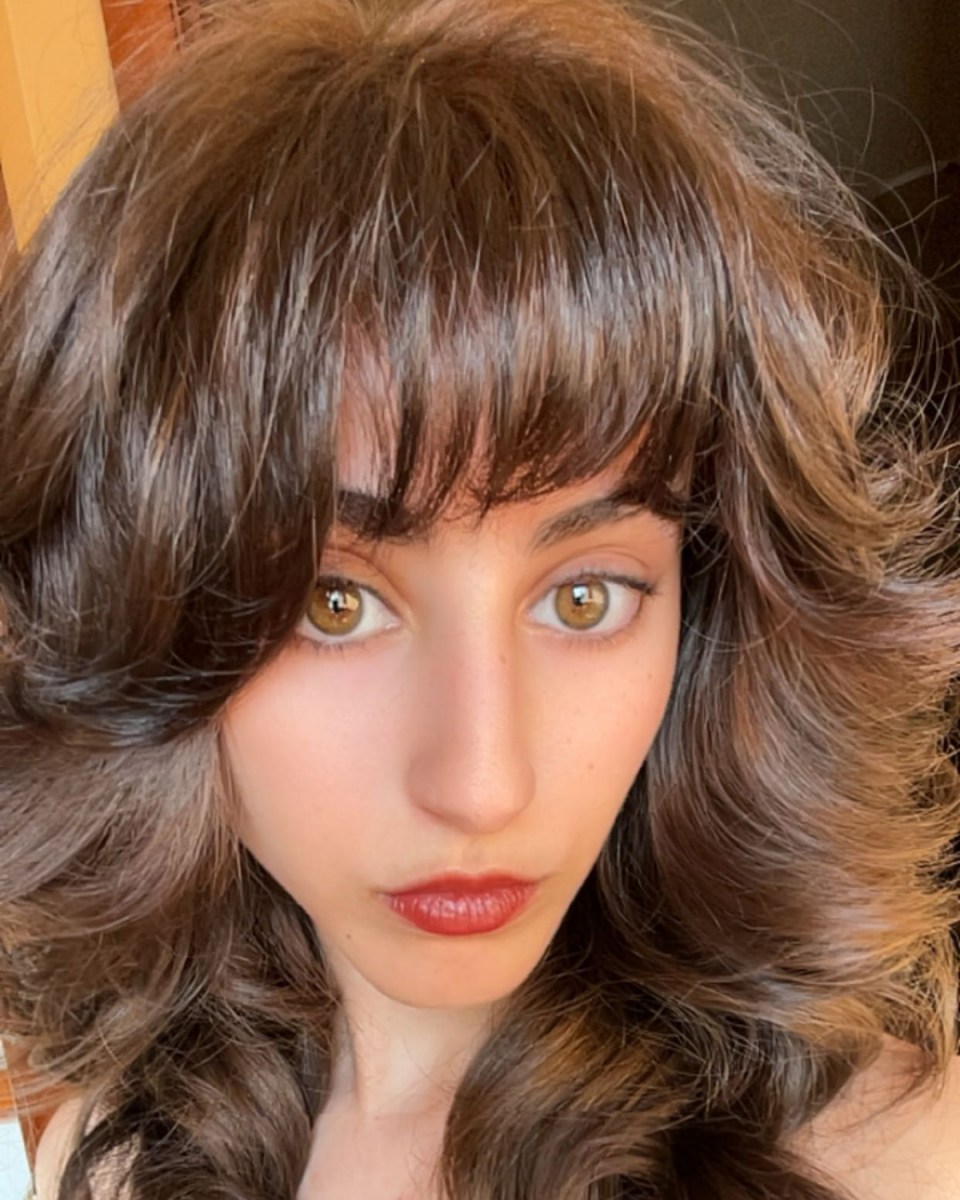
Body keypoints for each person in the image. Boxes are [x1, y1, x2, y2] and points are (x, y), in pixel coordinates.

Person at [1, 0, 958, 1196]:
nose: (482, 784)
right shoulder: (112, 1149)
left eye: (586, 597)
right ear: (137, 620)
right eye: (333, 604)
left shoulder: (884, 1158)